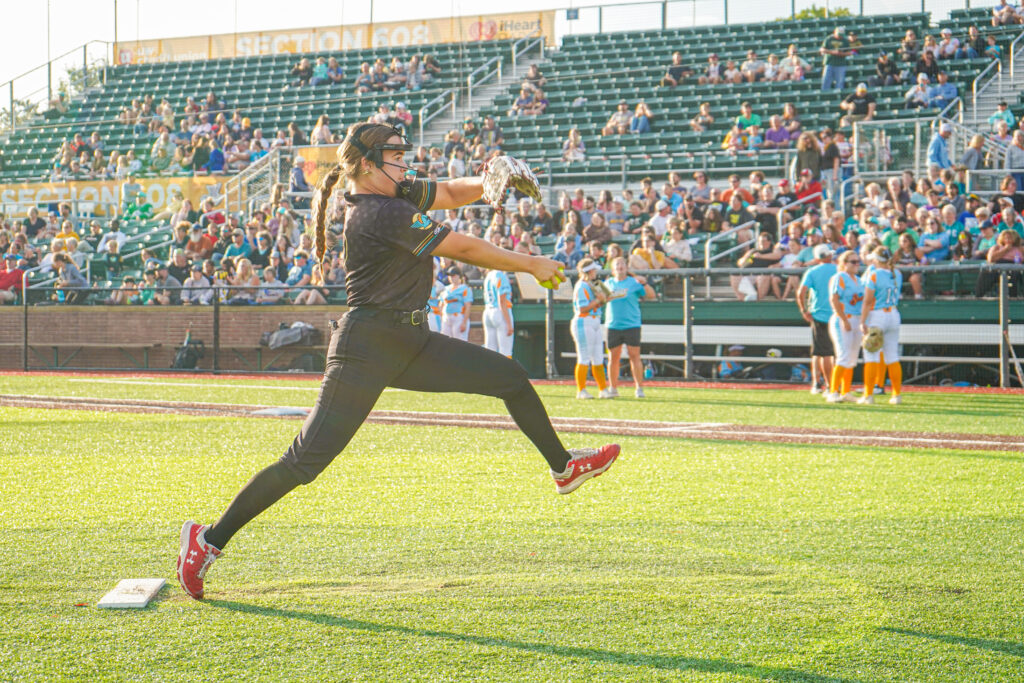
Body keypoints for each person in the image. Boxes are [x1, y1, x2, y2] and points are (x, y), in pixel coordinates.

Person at [176, 122, 620, 600]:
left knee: (510, 378)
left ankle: (562, 468)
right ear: (367, 164)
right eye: (395, 155)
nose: (405, 163)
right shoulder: (379, 213)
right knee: (303, 463)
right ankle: (207, 541)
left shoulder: (393, 191)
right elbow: (464, 247)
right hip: (367, 347)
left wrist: (491, 177)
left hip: (409, 341)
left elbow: (449, 191)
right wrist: (530, 262)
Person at [604, 256, 655, 399]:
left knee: (634, 356)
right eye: (617, 264)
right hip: (613, 325)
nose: (620, 266)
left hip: (631, 324)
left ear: (626, 268)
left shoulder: (633, 283)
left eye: (622, 264)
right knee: (613, 358)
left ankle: (639, 388)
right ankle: (613, 388)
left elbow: (651, 295)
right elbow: (600, 298)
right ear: (613, 269)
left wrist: (644, 284)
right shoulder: (608, 283)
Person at [859, 247, 904, 405]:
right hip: (893, 313)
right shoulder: (897, 273)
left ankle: (868, 395)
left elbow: (867, 301)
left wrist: (862, 321)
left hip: (878, 314)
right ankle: (896, 394)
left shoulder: (874, 274)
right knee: (892, 356)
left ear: (877, 260)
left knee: (871, 354)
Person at [569, 259, 613, 400]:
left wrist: (601, 300)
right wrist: (598, 300)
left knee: (598, 356)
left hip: (594, 320)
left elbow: (595, 305)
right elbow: (582, 308)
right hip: (584, 320)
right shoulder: (581, 286)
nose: (595, 272)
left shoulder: (590, 284)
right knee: (584, 357)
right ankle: (581, 390)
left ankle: (602, 388)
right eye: (593, 270)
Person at [796, 245, 837, 394]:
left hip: (818, 315)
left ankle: (817, 383)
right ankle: (830, 385)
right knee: (829, 353)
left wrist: (804, 310)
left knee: (819, 352)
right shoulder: (838, 270)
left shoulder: (812, 271)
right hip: (836, 315)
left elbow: (801, 292)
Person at [825, 251, 864, 403]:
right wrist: (844, 319)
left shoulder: (859, 280)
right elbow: (834, 299)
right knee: (843, 356)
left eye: (857, 261)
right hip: (844, 318)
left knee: (852, 358)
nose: (856, 264)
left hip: (856, 319)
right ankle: (833, 391)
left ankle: (845, 391)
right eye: (853, 262)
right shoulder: (839, 277)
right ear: (844, 262)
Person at [482, 267, 514, 358]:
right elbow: (502, 300)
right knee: (505, 350)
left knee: (490, 349)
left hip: (488, 311)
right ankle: (505, 372)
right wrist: (508, 323)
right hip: (499, 312)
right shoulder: (500, 275)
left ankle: (488, 372)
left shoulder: (488, 275)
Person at [440, 266, 473, 341]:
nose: (451, 277)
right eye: (450, 276)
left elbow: (468, 306)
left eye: (453, 275)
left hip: (458, 317)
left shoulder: (464, 288)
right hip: (446, 317)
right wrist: (442, 318)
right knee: (446, 342)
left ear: (459, 276)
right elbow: (441, 304)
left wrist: (464, 322)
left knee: (460, 342)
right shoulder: (446, 288)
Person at [820, 26, 851, 91]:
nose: (840, 36)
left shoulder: (845, 41)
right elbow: (822, 49)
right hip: (829, 62)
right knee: (826, 81)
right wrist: (832, 52)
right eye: (838, 34)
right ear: (835, 32)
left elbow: (849, 52)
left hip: (840, 64)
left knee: (840, 82)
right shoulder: (829, 39)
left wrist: (840, 54)